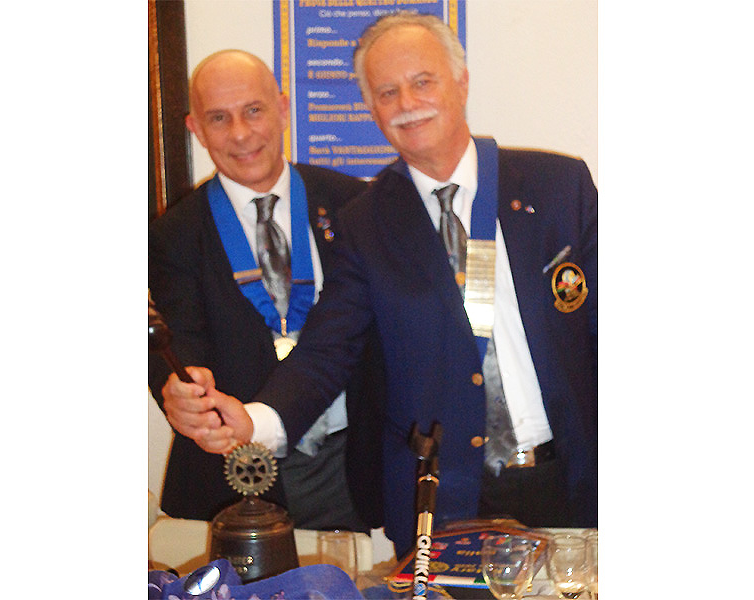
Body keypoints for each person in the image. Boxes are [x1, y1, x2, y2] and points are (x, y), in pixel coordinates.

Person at [190, 13, 598, 557]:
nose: (407, 102)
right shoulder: (366, 222)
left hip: (574, 480)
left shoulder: (558, 187)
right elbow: (327, 351)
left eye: (423, 81)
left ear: (462, 82)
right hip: (448, 499)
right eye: (387, 92)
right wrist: (256, 421)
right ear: (372, 107)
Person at [148, 49, 385, 532]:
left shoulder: (355, 205)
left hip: (349, 464)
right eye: (219, 118)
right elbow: (173, 344)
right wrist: (176, 388)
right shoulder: (174, 234)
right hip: (233, 470)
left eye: (253, 110)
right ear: (196, 129)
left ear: (282, 109)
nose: (240, 133)